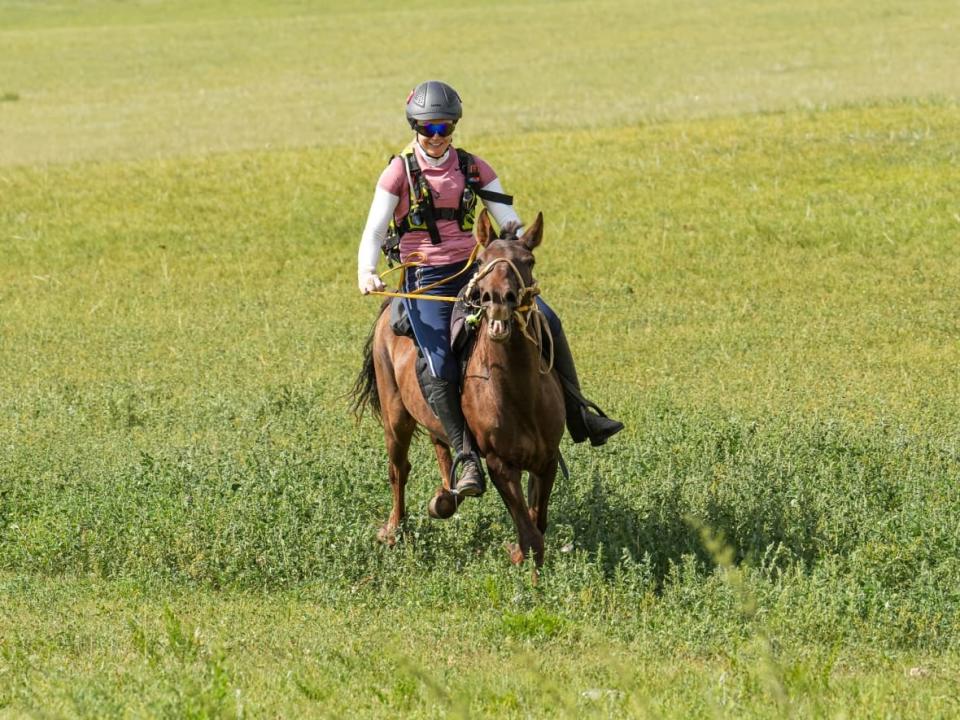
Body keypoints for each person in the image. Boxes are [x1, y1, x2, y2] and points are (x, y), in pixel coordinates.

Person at [357, 80, 622, 497]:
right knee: (438, 361)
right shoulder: (398, 173)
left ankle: (579, 414)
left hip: (475, 273)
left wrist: (511, 245)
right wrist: (366, 272)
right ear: (415, 128)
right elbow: (374, 230)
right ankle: (464, 453)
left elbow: (507, 217)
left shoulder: (473, 166)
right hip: (426, 282)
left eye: (446, 128)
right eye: (430, 129)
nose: (438, 137)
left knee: (548, 319)